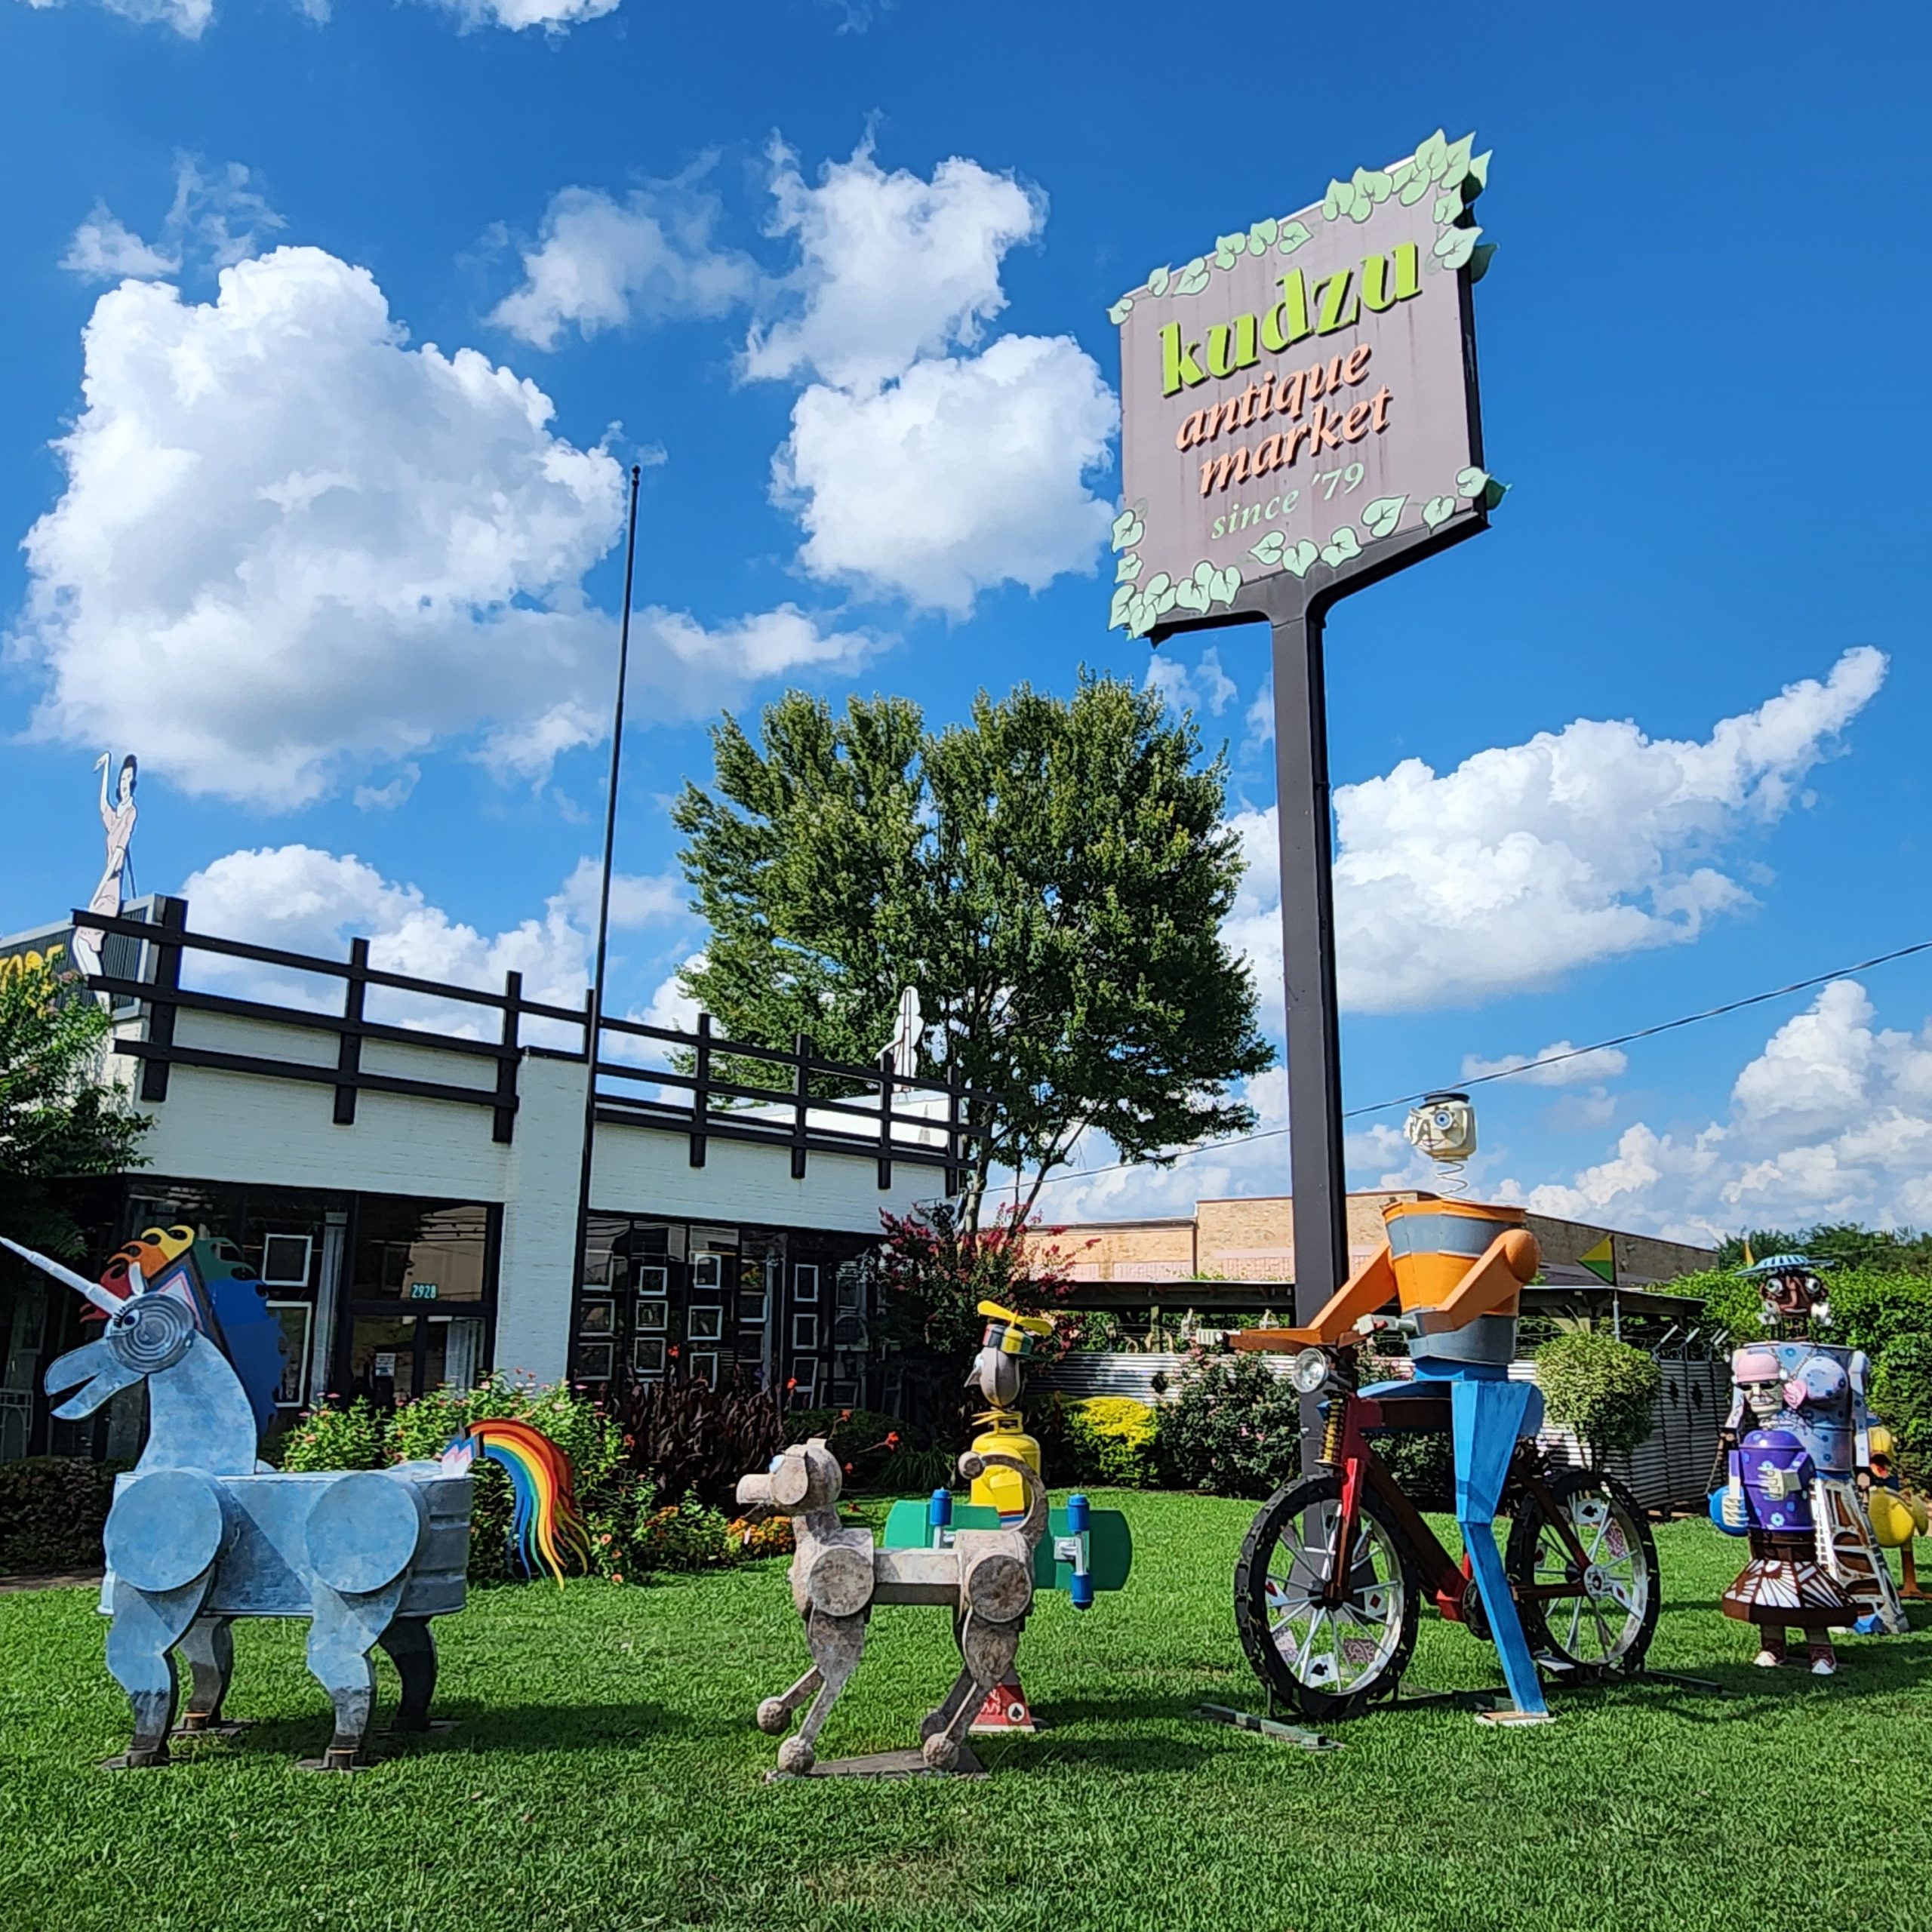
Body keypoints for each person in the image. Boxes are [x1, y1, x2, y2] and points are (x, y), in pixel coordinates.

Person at [69, 752, 137, 998]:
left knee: (85, 941)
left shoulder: (130, 814)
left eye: (128, 779)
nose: (124, 784)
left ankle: (104, 1000)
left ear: (133, 783)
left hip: (110, 890)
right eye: (122, 779)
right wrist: (107, 766)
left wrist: (97, 893)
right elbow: (102, 806)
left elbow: (118, 856)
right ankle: (98, 995)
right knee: (79, 942)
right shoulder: (117, 815)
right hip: (104, 888)